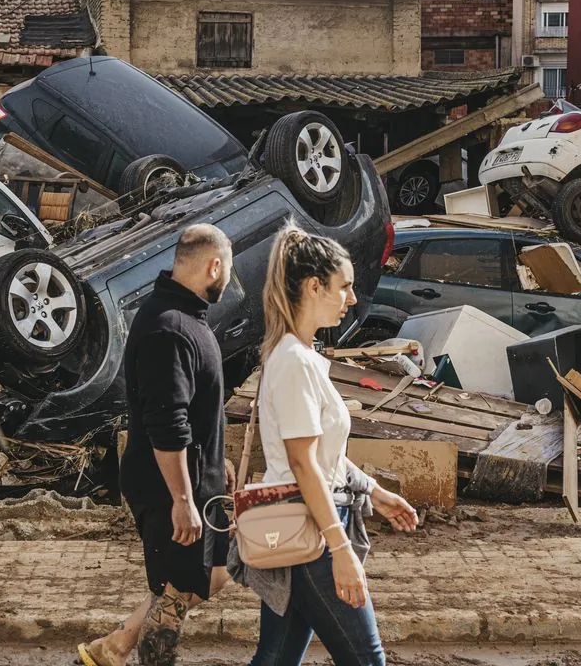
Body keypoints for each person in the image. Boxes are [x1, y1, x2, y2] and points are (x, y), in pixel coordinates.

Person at [231, 221, 419, 666]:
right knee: (367, 659)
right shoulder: (295, 361)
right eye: (345, 287)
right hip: (311, 528)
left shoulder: (300, 356)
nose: (352, 299)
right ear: (315, 287)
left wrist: (375, 491)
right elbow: (302, 463)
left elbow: (321, 455)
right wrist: (340, 551)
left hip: (306, 519)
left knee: (276, 658)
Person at [78, 223, 236, 666]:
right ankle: (132, 654)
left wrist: (215, 462)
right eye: (229, 269)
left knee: (215, 573)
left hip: (193, 480)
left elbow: (193, 407)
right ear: (214, 265)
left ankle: (113, 647)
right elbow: (167, 423)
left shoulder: (186, 318)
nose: (229, 280)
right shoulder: (169, 328)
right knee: (178, 589)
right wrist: (182, 499)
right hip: (169, 487)